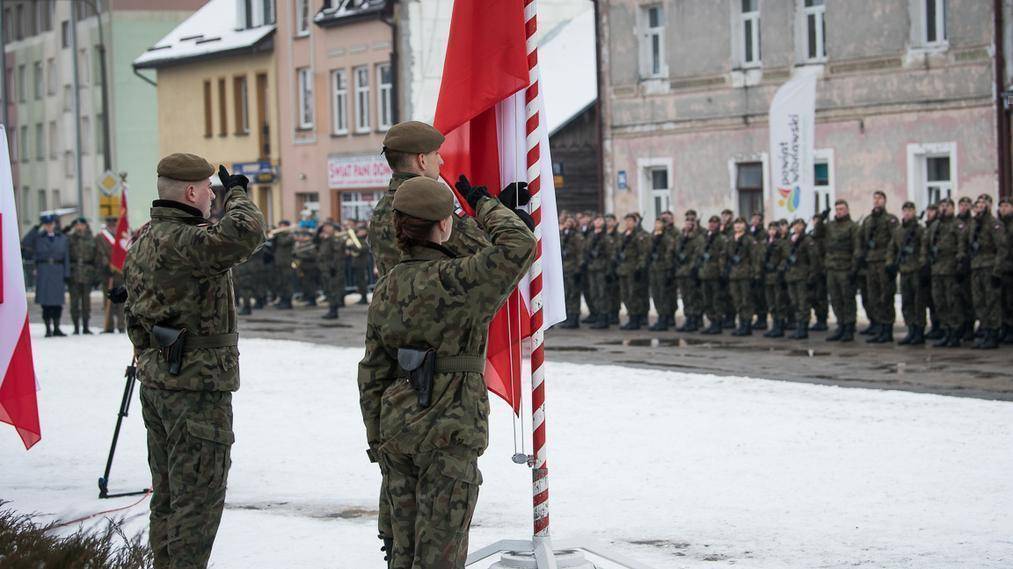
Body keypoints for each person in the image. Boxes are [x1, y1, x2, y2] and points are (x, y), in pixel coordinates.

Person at [358, 176, 535, 569]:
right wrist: (486, 205)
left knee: (403, 551)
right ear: (443, 225)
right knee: (440, 554)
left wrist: (378, 439)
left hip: (397, 428)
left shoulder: (387, 285)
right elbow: (519, 244)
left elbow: (372, 370)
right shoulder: (459, 280)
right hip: (450, 426)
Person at [124, 155, 266, 568]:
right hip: (197, 391)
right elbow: (247, 232)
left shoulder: (145, 241)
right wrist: (238, 194)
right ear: (190, 192)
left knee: (167, 499)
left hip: (159, 385)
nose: (212, 196)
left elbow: (134, 318)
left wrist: (154, 356)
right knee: (197, 505)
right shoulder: (186, 241)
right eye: (209, 189)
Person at [958, 194, 1007, 349]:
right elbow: (963, 242)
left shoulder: (994, 224)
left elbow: (1002, 248)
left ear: (988, 207)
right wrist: (963, 260)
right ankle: (985, 332)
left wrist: (997, 271)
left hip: (990, 266)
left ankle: (993, 334)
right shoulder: (973, 224)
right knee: (979, 302)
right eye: (977, 206)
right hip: (976, 266)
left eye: (982, 205)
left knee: (992, 301)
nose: (979, 208)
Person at [923, 198, 964, 347]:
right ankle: (946, 331)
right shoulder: (935, 226)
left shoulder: (957, 225)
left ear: (953, 208)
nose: (944, 209)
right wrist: (925, 264)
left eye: (947, 206)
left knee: (952, 302)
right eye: (942, 206)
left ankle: (955, 333)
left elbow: (961, 245)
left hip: (951, 269)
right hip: (936, 269)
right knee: (939, 302)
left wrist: (960, 264)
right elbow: (926, 245)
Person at [861, 191, 900, 343]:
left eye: (880, 199)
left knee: (886, 297)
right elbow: (862, 241)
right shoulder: (868, 220)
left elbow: (895, 242)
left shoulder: (890, 220)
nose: (877, 201)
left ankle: (887, 329)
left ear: (885, 201)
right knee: (873, 297)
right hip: (871, 263)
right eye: (875, 199)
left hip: (884, 262)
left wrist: (892, 263)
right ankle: (879, 327)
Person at [887, 202, 927, 345]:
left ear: (915, 212)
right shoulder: (898, 231)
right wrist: (890, 264)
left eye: (910, 210)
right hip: (904, 271)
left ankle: (919, 332)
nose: (908, 213)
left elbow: (924, 248)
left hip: (916, 270)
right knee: (906, 303)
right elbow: (892, 248)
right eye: (905, 210)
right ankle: (911, 330)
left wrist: (923, 266)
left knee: (918, 303)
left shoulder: (920, 230)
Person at [824, 200, 861, 342]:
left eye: (842, 209)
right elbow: (818, 233)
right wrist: (821, 218)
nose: (839, 211)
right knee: (835, 299)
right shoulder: (831, 226)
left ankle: (849, 327)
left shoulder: (853, 227)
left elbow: (857, 248)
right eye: (837, 209)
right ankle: (841, 324)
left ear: (847, 210)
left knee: (847, 299)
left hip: (845, 268)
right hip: (832, 268)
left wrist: (854, 268)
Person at [782, 218, 820, 339]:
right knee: (795, 302)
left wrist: (812, 276)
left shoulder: (807, 240)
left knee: (803, 303)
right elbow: (785, 256)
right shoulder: (790, 240)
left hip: (802, 275)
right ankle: (798, 326)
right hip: (791, 276)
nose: (797, 227)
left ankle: (803, 328)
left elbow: (814, 259)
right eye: (795, 225)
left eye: (800, 225)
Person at [34, 214, 70, 337]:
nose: (49, 227)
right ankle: (48, 328)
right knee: (46, 303)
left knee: (57, 303)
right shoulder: (38, 238)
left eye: (50, 224)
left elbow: (66, 257)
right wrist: (36, 227)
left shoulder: (62, 238)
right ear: (44, 226)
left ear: (54, 225)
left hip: (58, 271)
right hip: (44, 272)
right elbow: (25, 242)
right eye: (46, 225)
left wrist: (66, 274)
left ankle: (56, 327)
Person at [616, 213, 650, 330]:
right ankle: (631, 317)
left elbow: (642, 254)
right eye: (626, 221)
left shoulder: (639, 236)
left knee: (633, 295)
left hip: (633, 269)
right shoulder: (623, 235)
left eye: (630, 221)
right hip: (623, 269)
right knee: (625, 295)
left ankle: (636, 319)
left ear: (635, 222)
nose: (628, 223)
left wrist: (640, 268)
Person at [725, 217, 758, 336]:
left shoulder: (749, 239)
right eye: (736, 224)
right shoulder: (730, 240)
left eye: (740, 223)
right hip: (733, 274)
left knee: (746, 300)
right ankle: (741, 323)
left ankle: (747, 325)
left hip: (745, 274)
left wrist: (755, 273)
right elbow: (726, 256)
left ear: (745, 225)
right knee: (737, 300)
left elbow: (754, 258)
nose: (738, 226)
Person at [68, 217, 100, 334]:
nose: (79, 227)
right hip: (74, 274)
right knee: (74, 303)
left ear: (86, 226)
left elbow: (96, 258)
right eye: (77, 225)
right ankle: (76, 327)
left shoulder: (91, 239)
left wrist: (96, 276)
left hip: (87, 273)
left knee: (86, 303)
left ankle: (86, 326)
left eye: (81, 224)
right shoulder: (70, 239)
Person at [697, 215, 727, 335]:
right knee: (707, 300)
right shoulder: (704, 238)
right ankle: (711, 321)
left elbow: (722, 256)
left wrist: (722, 272)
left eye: (715, 223)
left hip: (715, 273)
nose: (712, 225)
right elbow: (699, 252)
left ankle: (718, 323)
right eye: (710, 223)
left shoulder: (721, 239)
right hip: (704, 273)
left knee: (717, 300)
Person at [674, 213, 704, 332]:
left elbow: (698, 255)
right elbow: (676, 250)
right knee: (685, 297)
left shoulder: (698, 238)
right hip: (681, 272)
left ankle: (695, 320)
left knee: (693, 297)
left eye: (691, 223)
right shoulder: (681, 237)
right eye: (687, 222)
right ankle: (688, 318)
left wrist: (692, 268)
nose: (688, 225)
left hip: (691, 272)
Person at [585, 215, 614, 329]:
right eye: (596, 220)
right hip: (592, 268)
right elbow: (586, 249)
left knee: (603, 294)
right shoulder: (591, 235)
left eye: (600, 220)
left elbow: (610, 255)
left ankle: (604, 317)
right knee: (594, 293)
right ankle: (598, 316)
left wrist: (609, 271)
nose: (597, 222)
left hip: (602, 269)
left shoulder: (606, 237)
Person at [759, 222, 788, 338]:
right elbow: (759, 257)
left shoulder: (782, 243)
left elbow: (786, 258)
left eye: (774, 229)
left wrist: (779, 269)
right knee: (771, 303)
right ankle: (775, 325)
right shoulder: (765, 243)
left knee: (778, 302)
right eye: (770, 229)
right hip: (767, 277)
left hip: (776, 276)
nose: (772, 231)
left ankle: (780, 327)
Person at [647, 217, 676, 331]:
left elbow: (669, 254)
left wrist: (669, 270)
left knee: (663, 295)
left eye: (659, 223)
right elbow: (647, 250)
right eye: (656, 223)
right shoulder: (652, 236)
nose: (656, 225)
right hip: (653, 269)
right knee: (656, 294)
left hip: (662, 269)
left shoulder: (667, 238)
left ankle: (665, 319)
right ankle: (660, 316)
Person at [558, 214, 585, 328]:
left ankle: (574, 318)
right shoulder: (565, 235)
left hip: (573, 268)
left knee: (574, 294)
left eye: (571, 222)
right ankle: (568, 316)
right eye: (567, 221)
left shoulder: (577, 236)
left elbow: (580, 253)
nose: (568, 223)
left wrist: (579, 269)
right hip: (565, 268)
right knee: (567, 293)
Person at [922, 204, 944, 339]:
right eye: (928, 211)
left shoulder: (938, 227)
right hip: (930, 268)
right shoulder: (927, 228)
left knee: (941, 300)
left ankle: (943, 328)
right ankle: (935, 326)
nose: (930, 213)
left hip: (941, 268)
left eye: (933, 211)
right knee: (931, 300)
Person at [317, 222, 346, 319]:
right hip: (325, 269)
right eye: (324, 227)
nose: (325, 229)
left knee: (333, 290)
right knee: (328, 290)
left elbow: (337, 255)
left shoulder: (335, 239)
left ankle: (334, 311)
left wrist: (333, 267)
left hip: (332, 269)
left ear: (332, 228)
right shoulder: (325, 239)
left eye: (327, 227)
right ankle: (331, 309)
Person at [271, 221, 296, 309]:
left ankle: (288, 301)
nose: (280, 228)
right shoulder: (278, 236)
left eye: (283, 226)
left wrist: (278, 233)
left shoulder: (290, 236)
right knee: (280, 282)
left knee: (287, 283)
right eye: (280, 226)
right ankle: (282, 300)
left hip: (287, 263)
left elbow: (283, 242)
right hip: (279, 263)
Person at [999, 197, 1013, 343]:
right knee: (1003, 300)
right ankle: (1005, 328)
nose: (1003, 208)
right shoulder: (1000, 225)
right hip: (1001, 268)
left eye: (1006, 205)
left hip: (1010, 267)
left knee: (1010, 301)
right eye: (1001, 206)